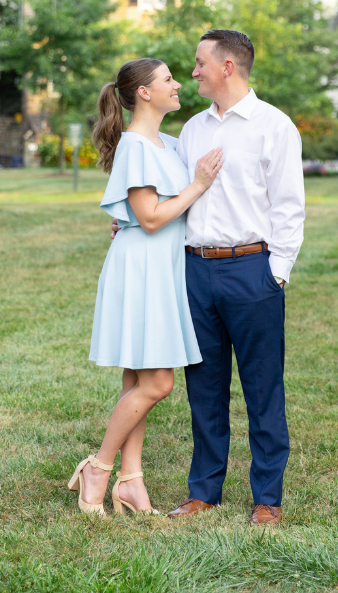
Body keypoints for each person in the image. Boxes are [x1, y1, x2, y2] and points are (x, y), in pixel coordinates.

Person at [70, 59, 224, 515]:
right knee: (157, 383)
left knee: (138, 377)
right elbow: (151, 217)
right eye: (168, 80)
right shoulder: (135, 146)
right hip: (142, 269)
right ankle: (97, 468)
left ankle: (130, 481)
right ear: (144, 93)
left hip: (160, 268)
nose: (178, 84)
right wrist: (197, 185)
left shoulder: (167, 143)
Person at [165, 30, 306, 526]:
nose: (193, 72)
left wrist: (276, 275)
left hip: (253, 270)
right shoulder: (192, 130)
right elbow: (178, 196)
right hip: (196, 269)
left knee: (262, 388)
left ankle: (267, 498)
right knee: (203, 386)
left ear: (228, 67)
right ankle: (204, 491)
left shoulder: (275, 126)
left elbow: (289, 206)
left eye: (201, 63)